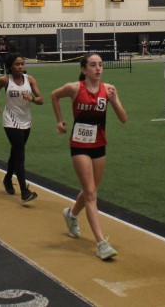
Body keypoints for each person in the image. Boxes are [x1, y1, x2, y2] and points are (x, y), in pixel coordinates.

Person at [51, 53, 128, 261]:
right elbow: (54, 96)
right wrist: (60, 121)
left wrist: (114, 100)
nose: (98, 68)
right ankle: (101, 243)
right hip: (79, 145)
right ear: (84, 70)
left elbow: (123, 118)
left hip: (99, 145)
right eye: (93, 65)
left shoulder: (108, 89)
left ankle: (71, 214)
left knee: (91, 191)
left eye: (100, 65)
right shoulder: (75, 88)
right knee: (91, 193)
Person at [0, 53, 43, 203]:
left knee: (15, 153)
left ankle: (7, 179)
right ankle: (24, 191)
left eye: (22, 64)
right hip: (10, 120)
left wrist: (32, 99)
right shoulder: (5, 80)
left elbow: (41, 100)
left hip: (26, 120)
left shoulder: (30, 79)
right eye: (17, 64)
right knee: (20, 154)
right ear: (10, 67)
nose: (20, 67)